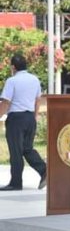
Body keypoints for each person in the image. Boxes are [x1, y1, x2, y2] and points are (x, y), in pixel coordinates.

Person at [0, 55, 46, 191]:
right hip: (30, 117)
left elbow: (6, 102)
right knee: (27, 148)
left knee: (16, 151)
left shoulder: (12, 81)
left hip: (16, 119)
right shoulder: (34, 79)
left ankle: (16, 183)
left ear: (13, 67)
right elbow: (38, 100)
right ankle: (44, 170)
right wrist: (35, 116)